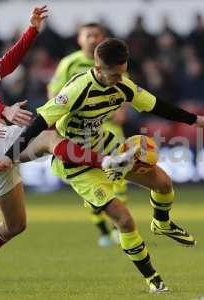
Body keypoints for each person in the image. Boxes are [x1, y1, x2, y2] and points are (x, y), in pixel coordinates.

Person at [0, 38, 204, 293]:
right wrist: (9, 154)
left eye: (122, 73)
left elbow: (156, 105)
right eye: (114, 75)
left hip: (105, 146)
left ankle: (162, 223)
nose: (119, 80)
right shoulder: (77, 89)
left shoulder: (123, 85)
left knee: (164, 183)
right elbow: (39, 123)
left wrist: (194, 120)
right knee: (125, 221)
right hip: (75, 161)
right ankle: (152, 278)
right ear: (98, 69)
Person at [0, 6, 106, 293]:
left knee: (15, 225)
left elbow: (8, 63)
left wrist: (32, 29)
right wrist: (2, 109)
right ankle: (107, 162)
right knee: (46, 137)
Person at [47, 22, 128, 246]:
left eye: (97, 35)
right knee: (94, 182)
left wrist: (121, 111)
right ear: (80, 39)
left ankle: (118, 228)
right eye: (88, 35)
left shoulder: (111, 61)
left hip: (109, 127)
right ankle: (104, 231)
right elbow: (54, 94)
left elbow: (124, 88)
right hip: (81, 129)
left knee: (119, 178)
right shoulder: (69, 63)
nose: (93, 38)